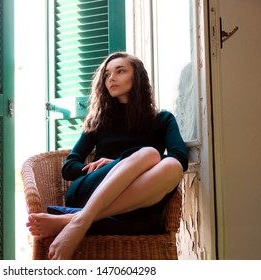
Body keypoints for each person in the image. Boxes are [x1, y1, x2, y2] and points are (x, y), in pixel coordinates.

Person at [27, 52, 188, 260]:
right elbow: (69, 168)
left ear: (137, 77)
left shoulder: (163, 119)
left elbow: (180, 158)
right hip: (91, 190)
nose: (111, 78)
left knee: (171, 166)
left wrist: (120, 163)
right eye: (107, 74)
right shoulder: (98, 122)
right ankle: (82, 217)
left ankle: (76, 220)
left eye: (120, 71)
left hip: (138, 196)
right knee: (149, 153)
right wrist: (104, 168)